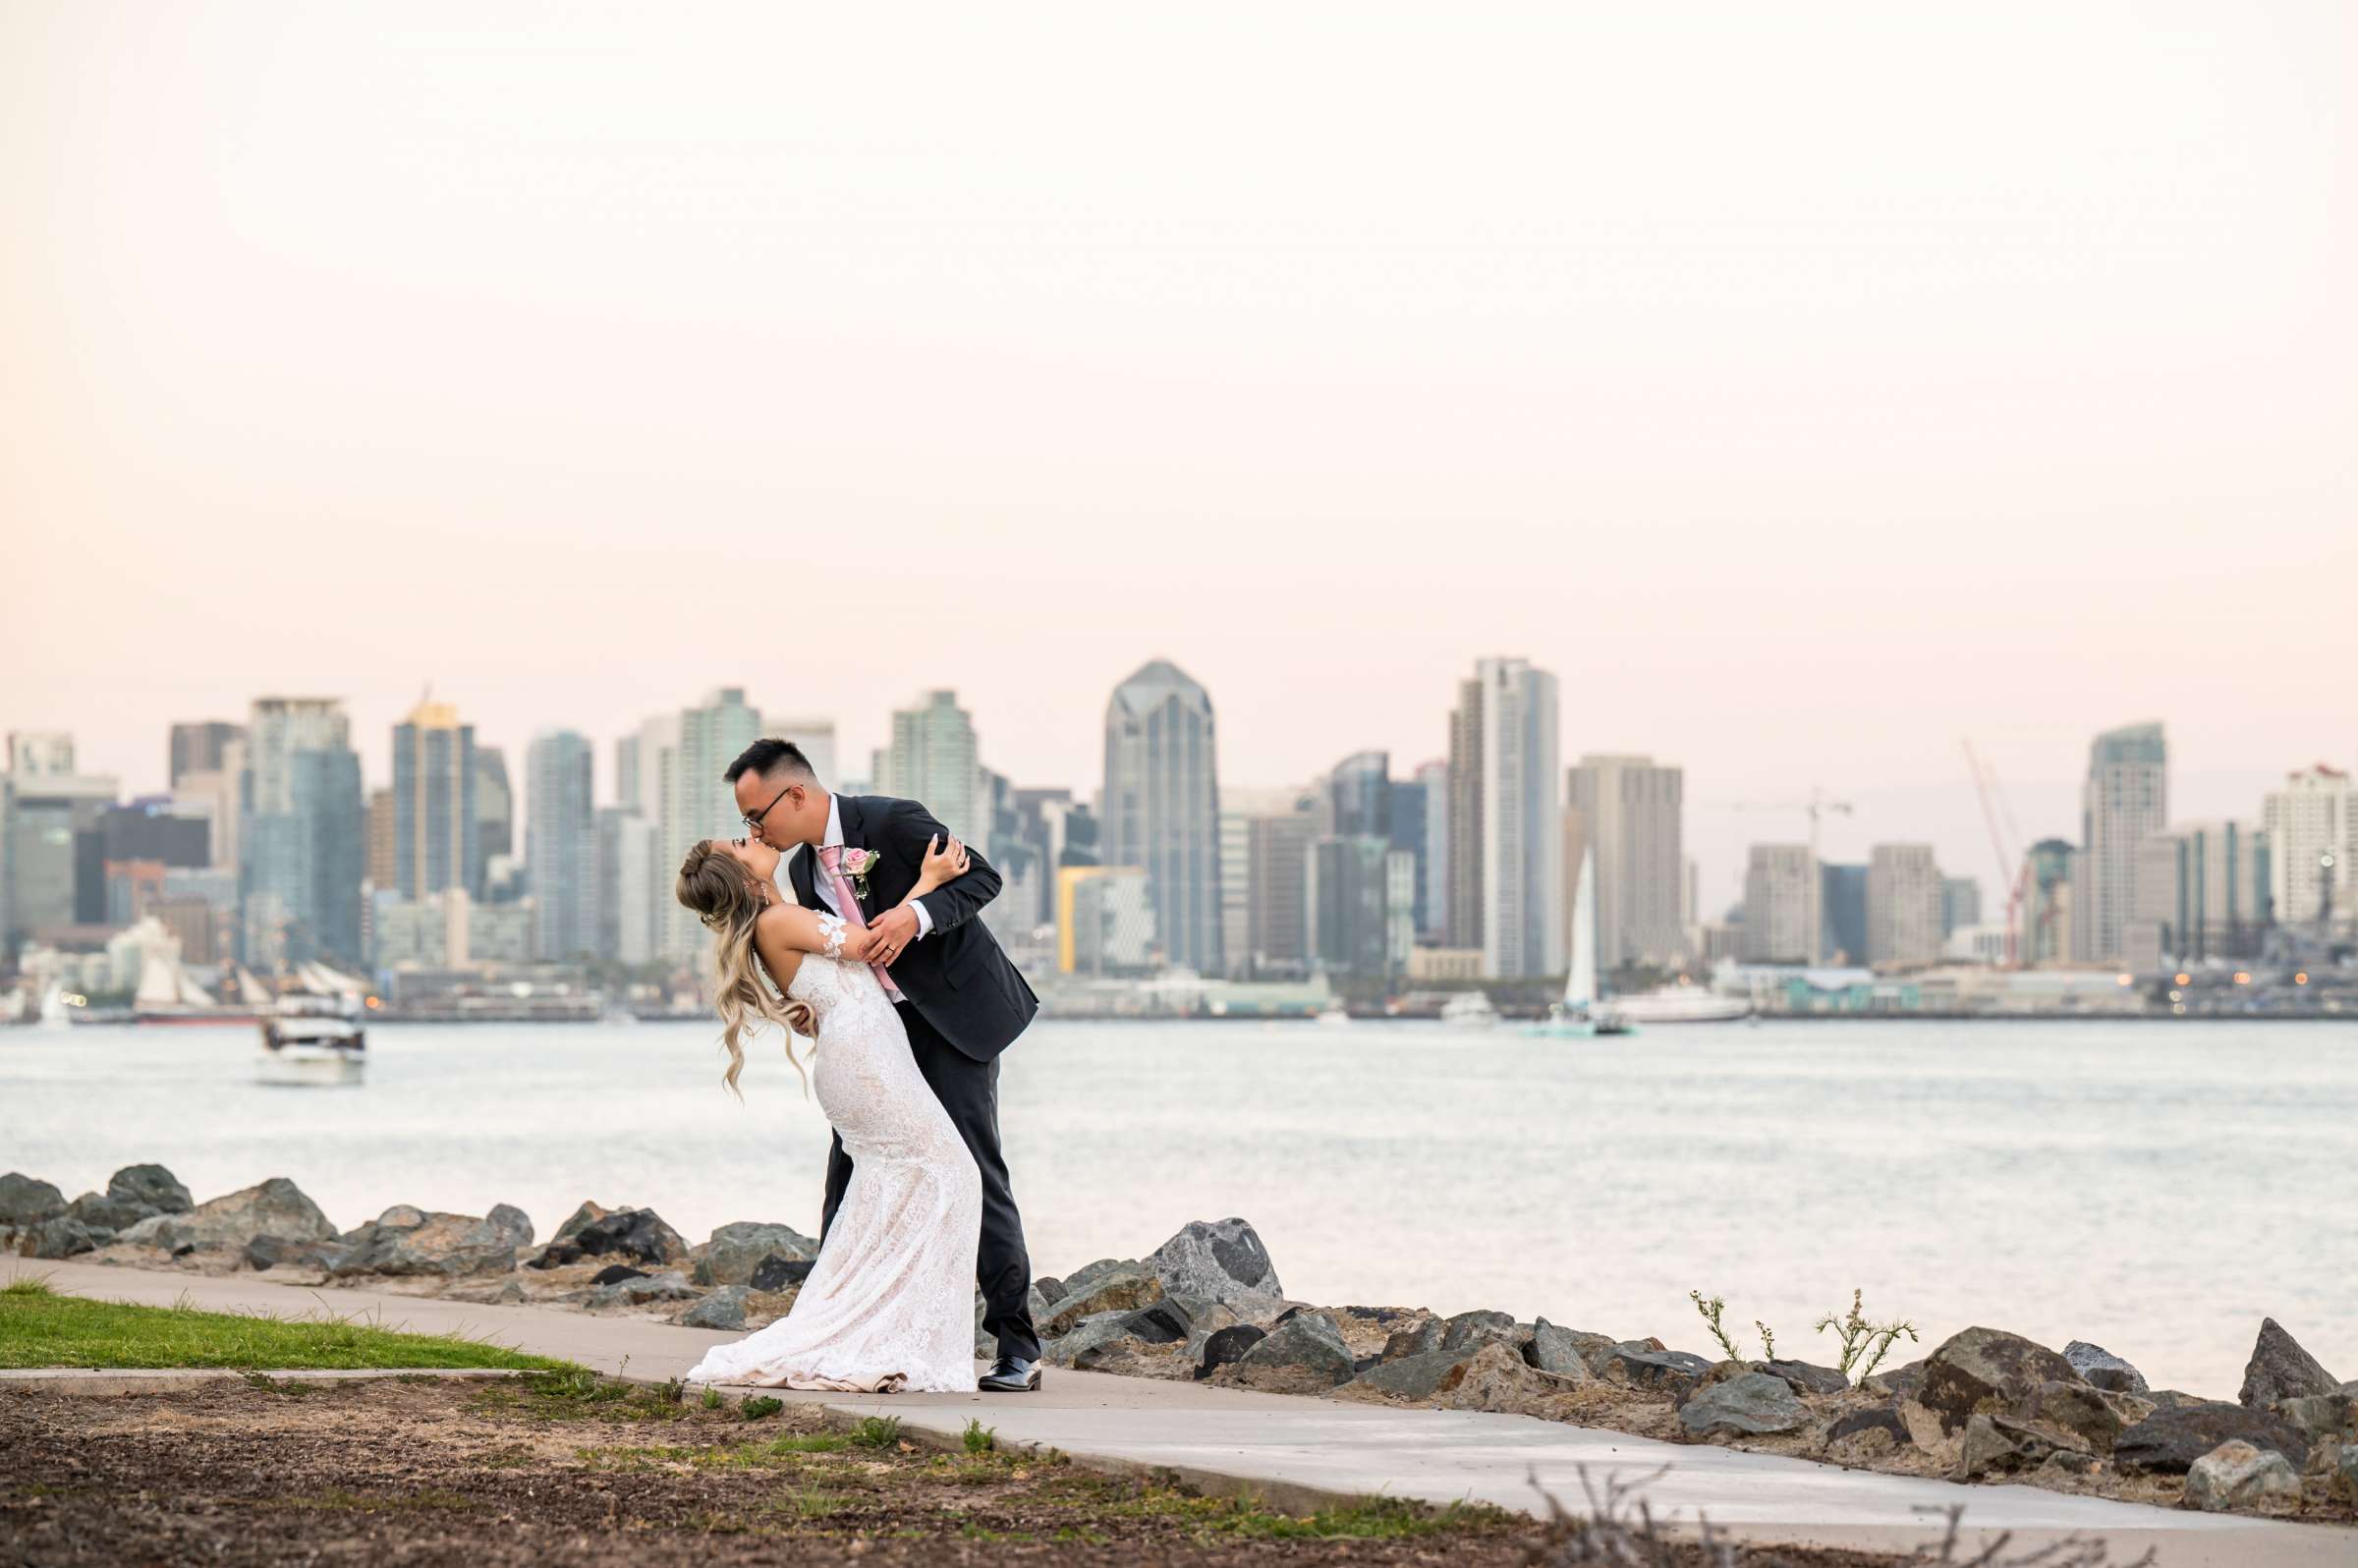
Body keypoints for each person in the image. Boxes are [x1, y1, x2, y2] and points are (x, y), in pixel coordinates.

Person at [728, 737, 1044, 1393]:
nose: (754, 830)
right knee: (850, 1172)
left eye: (757, 817)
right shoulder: (801, 874)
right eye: (747, 825)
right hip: (876, 1037)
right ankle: (837, 1323)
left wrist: (918, 912)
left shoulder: (893, 821)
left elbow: (982, 877)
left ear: (798, 795)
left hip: (952, 1022)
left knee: (974, 1168)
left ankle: (1017, 1345)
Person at [672, 828, 982, 1391]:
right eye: (740, 844)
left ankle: (882, 1327)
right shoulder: (777, 920)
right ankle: (883, 1330)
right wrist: (928, 887)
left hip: (861, 1059)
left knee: (893, 1192)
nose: (751, 836)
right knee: (951, 1177)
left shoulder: (776, 917)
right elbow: (868, 945)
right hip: (865, 1064)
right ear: (743, 876)